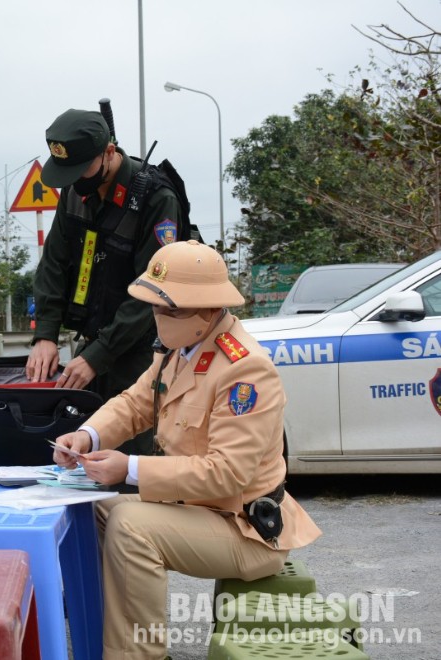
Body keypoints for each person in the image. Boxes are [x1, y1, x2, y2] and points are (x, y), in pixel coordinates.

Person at [52, 240, 322, 660]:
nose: (158, 318)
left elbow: (227, 473)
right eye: (155, 308)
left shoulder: (245, 369)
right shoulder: (181, 350)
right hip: (201, 510)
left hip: (244, 528)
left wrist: (129, 468)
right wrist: (88, 435)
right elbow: (136, 403)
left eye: (170, 310)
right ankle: (98, 634)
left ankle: (139, 655)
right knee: (91, 512)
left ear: (209, 310)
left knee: (130, 524)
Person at [27, 108, 186, 456]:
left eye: (80, 169)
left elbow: (152, 291)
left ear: (109, 153)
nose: (73, 180)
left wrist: (98, 356)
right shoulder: (74, 193)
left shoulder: (156, 199)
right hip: (95, 346)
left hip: (143, 353)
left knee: (130, 461)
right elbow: (53, 264)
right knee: (79, 456)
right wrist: (45, 335)